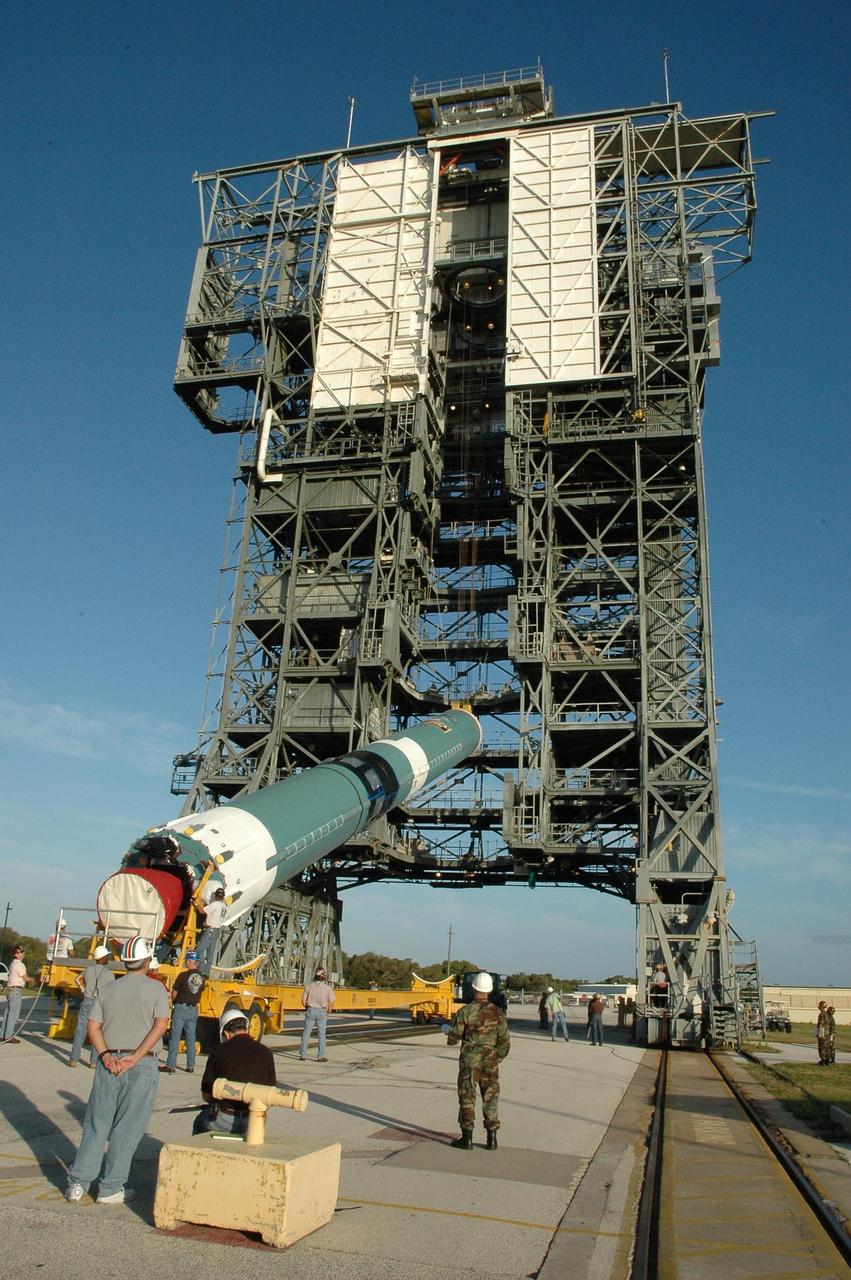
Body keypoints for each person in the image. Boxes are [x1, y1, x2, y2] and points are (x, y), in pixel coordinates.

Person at [64, 935, 170, 1205]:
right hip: (141, 1064)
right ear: (147, 960)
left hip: (108, 1063)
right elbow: (160, 1025)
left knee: (96, 1125)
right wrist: (135, 1057)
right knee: (128, 1128)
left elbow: (93, 1026)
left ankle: (78, 1184)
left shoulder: (109, 988)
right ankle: (110, 1188)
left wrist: (105, 1056)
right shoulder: (156, 989)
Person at [446, 971, 510, 1150]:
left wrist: (447, 1031)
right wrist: (495, 1057)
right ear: (490, 989)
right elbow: (505, 1042)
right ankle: (492, 1138)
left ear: (474, 988)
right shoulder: (498, 1012)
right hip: (490, 1061)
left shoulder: (465, 1011)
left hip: (469, 1061)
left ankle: (467, 1138)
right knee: (491, 1096)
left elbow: (453, 1038)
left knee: (467, 1095)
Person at [193, 1008, 276, 1136]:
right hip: (254, 1119)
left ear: (226, 1034)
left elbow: (206, 1093)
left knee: (199, 1123)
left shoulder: (218, 1051)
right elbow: (271, 1092)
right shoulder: (266, 1052)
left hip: (225, 1117)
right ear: (246, 1029)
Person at [68, 945, 114, 1068]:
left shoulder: (88, 970)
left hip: (87, 1000)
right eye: (107, 956)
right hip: (99, 1002)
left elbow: (77, 979)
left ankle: (73, 1059)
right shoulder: (109, 973)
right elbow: (111, 990)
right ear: (103, 958)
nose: (108, 958)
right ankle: (93, 1062)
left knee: (80, 1030)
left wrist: (84, 990)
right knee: (97, 1031)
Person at [161, 951, 206, 1074]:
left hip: (181, 1007)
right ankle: (190, 1065)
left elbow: (174, 993)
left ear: (190, 961)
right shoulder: (201, 977)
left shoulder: (183, 976)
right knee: (191, 1038)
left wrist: (174, 1001)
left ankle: (171, 1065)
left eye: (186, 960)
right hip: (193, 1009)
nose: (185, 962)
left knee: (175, 1037)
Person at [299, 966, 335, 1061]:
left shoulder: (309, 986)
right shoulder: (327, 988)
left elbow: (303, 1001)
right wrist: (328, 1012)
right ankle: (320, 1056)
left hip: (310, 1010)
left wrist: (307, 1007)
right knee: (321, 1035)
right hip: (322, 1011)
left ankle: (302, 1055)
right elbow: (331, 1002)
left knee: (306, 1033)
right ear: (323, 976)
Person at [2, 944, 36, 1043]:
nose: (23, 953)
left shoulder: (13, 963)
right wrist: (36, 979)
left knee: (8, 1013)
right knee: (13, 1014)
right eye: (21, 952)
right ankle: (8, 1036)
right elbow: (26, 978)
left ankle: (2, 1034)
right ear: (16, 954)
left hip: (11, 990)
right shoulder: (19, 964)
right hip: (16, 990)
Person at [195, 886, 227, 976]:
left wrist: (195, 902)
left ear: (216, 896)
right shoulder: (224, 907)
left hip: (210, 930)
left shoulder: (215, 904)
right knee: (210, 952)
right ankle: (207, 972)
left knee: (199, 949)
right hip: (217, 930)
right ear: (223, 897)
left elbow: (202, 911)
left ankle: (202, 969)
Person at [816, 1000, 830, 1065]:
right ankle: (827, 1060)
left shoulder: (821, 1014)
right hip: (827, 1032)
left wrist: (818, 1033)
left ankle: (823, 1060)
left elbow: (821, 1024)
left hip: (822, 1032)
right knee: (826, 1046)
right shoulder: (827, 1014)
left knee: (821, 1047)